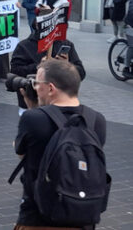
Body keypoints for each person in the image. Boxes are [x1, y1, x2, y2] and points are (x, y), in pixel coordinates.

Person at [14, 59, 106, 228]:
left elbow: (21, 153)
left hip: (39, 218)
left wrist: (31, 109)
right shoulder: (96, 120)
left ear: (51, 88)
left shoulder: (33, 118)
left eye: (36, 83)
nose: (34, 87)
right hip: (83, 216)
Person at [10, 13, 85, 116]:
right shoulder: (24, 46)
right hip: (32, 104)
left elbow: (81, 73)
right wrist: (38, 66)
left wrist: (66, 65)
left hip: (60, 105)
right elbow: (15, 71)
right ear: (36, 24)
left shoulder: (65, 44)